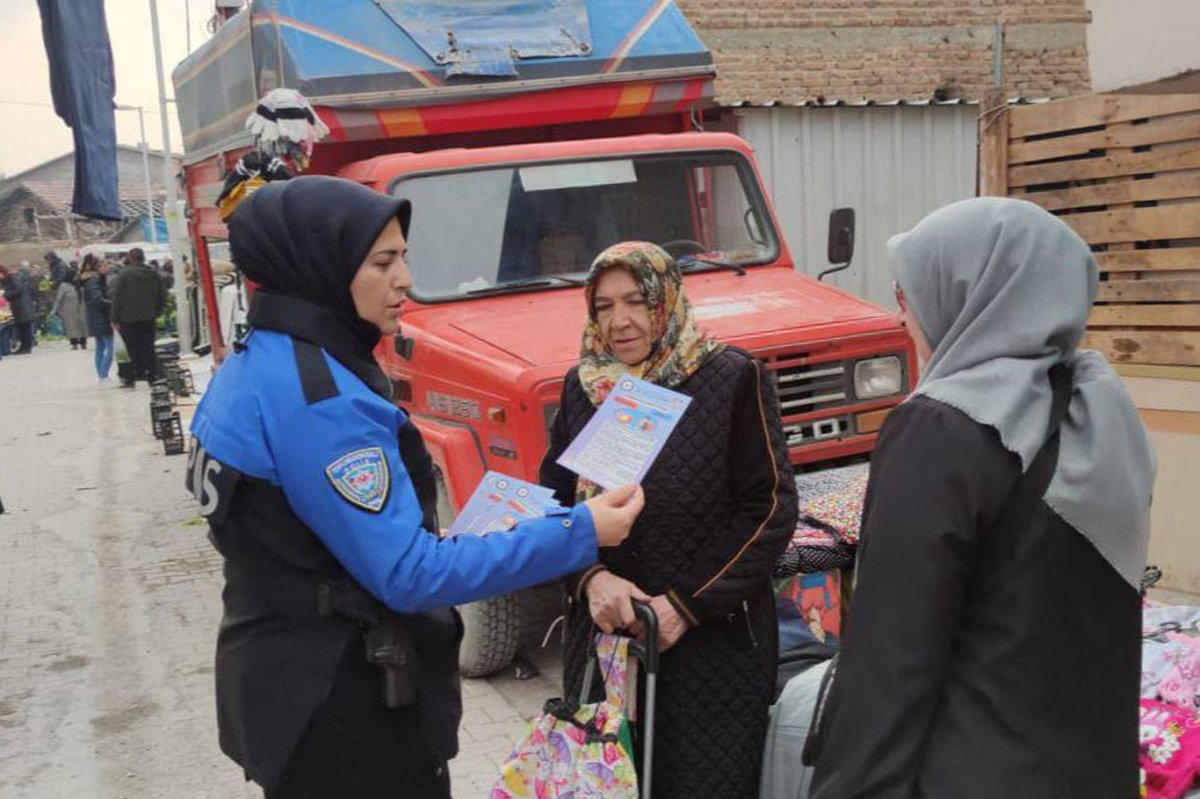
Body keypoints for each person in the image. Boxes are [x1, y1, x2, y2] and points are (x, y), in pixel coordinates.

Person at [187, 175, 646, 799]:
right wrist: (580, 532)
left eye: (403, 256)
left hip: (279, 675)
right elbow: (409, 574)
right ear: (320, 267)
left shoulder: (254, 362)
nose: (405, 278)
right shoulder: (320, 401)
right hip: (344, 703)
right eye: (383, 261)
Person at [807, 198, 1156, 798]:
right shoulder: (1100, 410)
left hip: (969, 771)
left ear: (969, 292)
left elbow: (892, 660)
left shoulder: (942, 428)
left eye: (907, 290)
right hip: (1088, 771)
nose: (902, 314)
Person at [540, 241, 798, 799]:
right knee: (611, 782)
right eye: (604, 305)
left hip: (713, 647)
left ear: (666, 300)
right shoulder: (585, 388)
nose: (620, 321)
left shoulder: (731, 378)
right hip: (607, 637)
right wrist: (590, 580)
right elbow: (555, 506)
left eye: (635, 300)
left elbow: (770, 506)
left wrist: (684, 605)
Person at [109, 247, 166, 387]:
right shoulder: (153, 274)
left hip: (127, 317)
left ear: (130, 258)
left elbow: (118, 297)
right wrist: (157, 311)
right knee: (148, 346)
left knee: (129, 348)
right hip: (148, 316)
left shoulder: (123, 275)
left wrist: (114, 318)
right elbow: (162, 294)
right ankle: (151, 374)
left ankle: (130, 377)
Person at [80, 255, 115, 382]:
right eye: (104, 265)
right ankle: (103, 373)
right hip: (101, 318)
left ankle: (101, 374)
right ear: (97, 267)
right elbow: (97, 299)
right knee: (110, 347)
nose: (107, 268)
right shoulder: (93, 280)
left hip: (95, 317)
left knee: (100, 347)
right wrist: (112, 304)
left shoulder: (92, 279)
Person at [2, 263, 36, 354]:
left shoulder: (12, 277)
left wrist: (5, 294)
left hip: (21, 306)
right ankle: (25, 347)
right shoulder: (12, 277)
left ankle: (26, 347)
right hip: (21, 305)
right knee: (23, 328)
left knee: (24, 328)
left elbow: (18, 289)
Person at [52, 265, 88, 350]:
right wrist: (54, 310)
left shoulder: (81, 284)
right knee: (72, 326)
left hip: (81, 308)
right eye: (75, 275)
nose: (77, 277)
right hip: (69, 309)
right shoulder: (64, 286)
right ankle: (74, 343)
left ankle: (83, 342)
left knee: (83, 325)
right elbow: (59, 299)